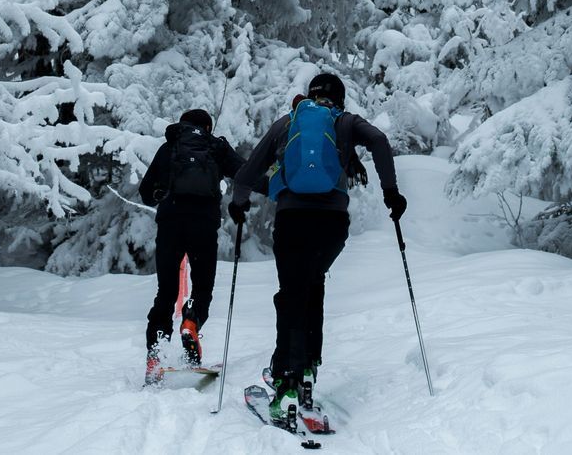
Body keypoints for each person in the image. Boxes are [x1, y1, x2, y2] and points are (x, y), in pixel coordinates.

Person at [229, 71, 406, 427]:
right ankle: (307, 370)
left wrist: (238, 202)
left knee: (291, 295)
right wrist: (391, 192)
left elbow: (250, 169)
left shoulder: (289, 122)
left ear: (309, 96)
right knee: (313, 287)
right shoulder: (345, 122)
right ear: (340, 98)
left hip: (293, 219)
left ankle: (287, 385)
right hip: (332, 225)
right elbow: (381, 141)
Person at [138, 107, 242, 382]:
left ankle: (157, 354)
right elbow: (246, 173)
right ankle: (191, 321)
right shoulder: (215, 147)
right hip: (204, 224)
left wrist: (160, 193)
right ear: (207, 127)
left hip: (171, 222)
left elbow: (146, 191)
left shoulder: (170, 146)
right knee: (203, 286)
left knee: (166, 291)